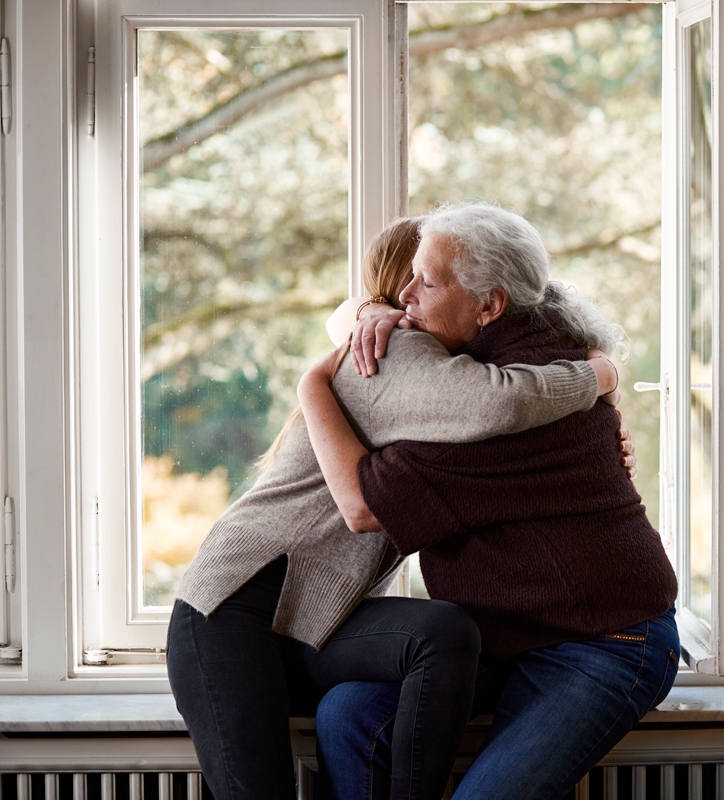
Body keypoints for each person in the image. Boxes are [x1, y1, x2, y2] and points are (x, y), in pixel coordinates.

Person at [165, 216, 624, 800]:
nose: (414, 294)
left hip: (308, 618)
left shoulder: (390, 341)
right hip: (230, 611)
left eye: (428, 281)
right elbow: (498, 405)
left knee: (442, 633)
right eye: (415, 278)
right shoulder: (393, 352)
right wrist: (603, 373)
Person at [299, 202, 680, 800]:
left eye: (426, 282)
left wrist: (312, 382)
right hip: (501, 639)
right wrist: (361, 312)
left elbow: (364, 508)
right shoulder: (491, 357)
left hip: (606, 643)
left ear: (490, 305)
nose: (405, 298)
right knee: (350, 713)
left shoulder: (507, 405)